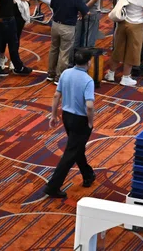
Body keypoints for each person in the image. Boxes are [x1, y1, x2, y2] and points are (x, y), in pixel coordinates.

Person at [44, 49, 96, 199]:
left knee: (76, 147)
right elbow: (90, 106)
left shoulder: (66, 73)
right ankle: (53, 186)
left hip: (67, 117)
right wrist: (91, 122)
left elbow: (56, 95)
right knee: (71, 153)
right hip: (81, 119)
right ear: (88, 62)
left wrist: (54, 114)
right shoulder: (88, 80)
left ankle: (88, 174)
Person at [49, 0, 89, 81]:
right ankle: (59, 76)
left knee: (53, 49)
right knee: (64, 52)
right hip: (68, 27)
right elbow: (85, 11)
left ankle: (50, 73)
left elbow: (52, 5)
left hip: (55, 24)